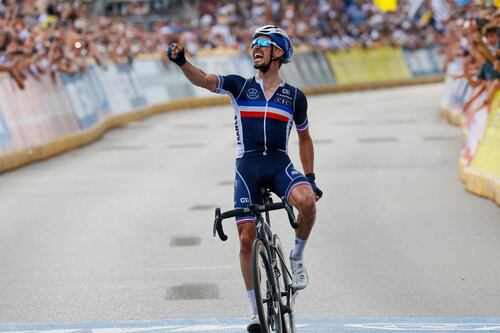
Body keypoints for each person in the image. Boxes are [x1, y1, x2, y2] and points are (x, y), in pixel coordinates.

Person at [167, 25, 323, 332]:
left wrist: (311, 177)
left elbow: (305, 139)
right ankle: (254, 313)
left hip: (279, 164)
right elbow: (203, 79)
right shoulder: (240, 86)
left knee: (307, 203)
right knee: (246, 239)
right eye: (252, 42)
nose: (255, 47)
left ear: (279, 52)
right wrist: (183, 62)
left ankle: (297, 254)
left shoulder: (294, 97)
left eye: (262, 43)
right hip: (248, 168)